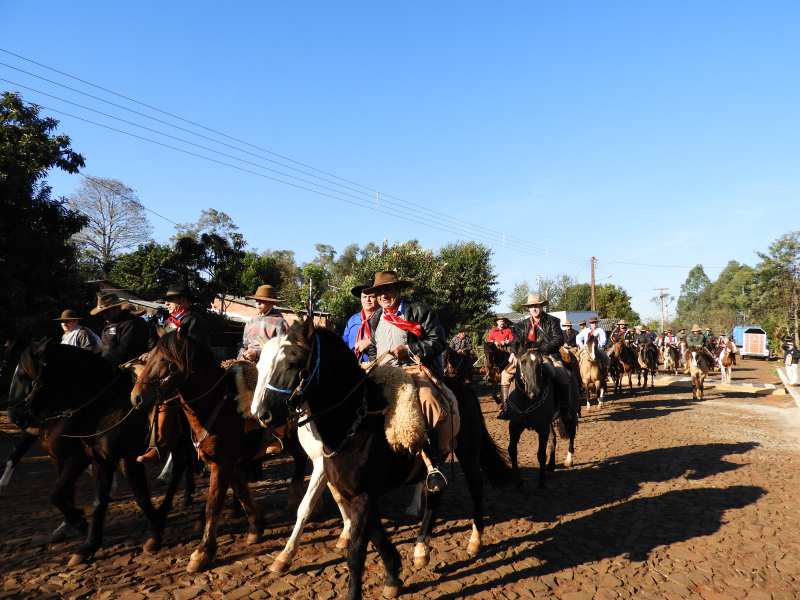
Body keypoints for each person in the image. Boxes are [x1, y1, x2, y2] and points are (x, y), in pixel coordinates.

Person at [365, 271, 448, 492]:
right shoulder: (376, 317)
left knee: (427, 400)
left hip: (414, 369)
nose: (383, 296)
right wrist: (372, 362)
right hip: (382, 372)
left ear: (398, 290)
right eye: (379, 292)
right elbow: (374, 347)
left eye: (387, 290)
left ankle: (434, 465)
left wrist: (409, 349)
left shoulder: (421, 311)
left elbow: (438, 342)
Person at [138, 284, 210, 465]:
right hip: (173, 369)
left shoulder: (193, 319)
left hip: (194, 371)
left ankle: (159, 447)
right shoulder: (168, 322)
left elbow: (192, 350)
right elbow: (162, 347)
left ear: (183, 300)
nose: (166, 303)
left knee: (165, 396)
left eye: (170, 300)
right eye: (166, 301)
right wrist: (152, 354)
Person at [506, 294, 573, 429]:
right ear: (528, 309)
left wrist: (540, 349)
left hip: (547, 355)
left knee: (561, 373)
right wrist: (513, 352)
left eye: (536, 306)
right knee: (504, 375)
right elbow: (516, 341)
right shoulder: (523, 324)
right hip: (525, 357)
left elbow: (558, 339)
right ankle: (506, 408)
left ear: (541, 307)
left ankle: (565, 408)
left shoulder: (552, 321)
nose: (534, 309)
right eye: (531, 307)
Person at [91, 293, 150, 367]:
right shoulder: (110, 325)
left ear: (118, 307)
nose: (104, 316)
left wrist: (103, 362)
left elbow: (125, 350)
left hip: (128, 368)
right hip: (109, 366)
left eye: (106, 312)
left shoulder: (131, 324)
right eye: (101, 313)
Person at [237, 285, 288, 361]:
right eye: (257, 300)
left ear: (272, 302)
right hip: (247, 361)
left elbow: (283, 348)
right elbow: (243, 344)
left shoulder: (280, 322)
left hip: (268, 363)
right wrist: (242, 355)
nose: (258, 303)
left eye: (262, 301)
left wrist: (257, 354)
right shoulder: (251, 322)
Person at [342, 282, 377, 363]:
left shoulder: (384, 318)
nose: (367, 300)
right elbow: (344, 341)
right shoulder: (353, 319)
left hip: (377, 365)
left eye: (371, 296)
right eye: (364, 297)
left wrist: (371, 342)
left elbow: (391, 340)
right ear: (361, 299)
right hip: (353, 365)